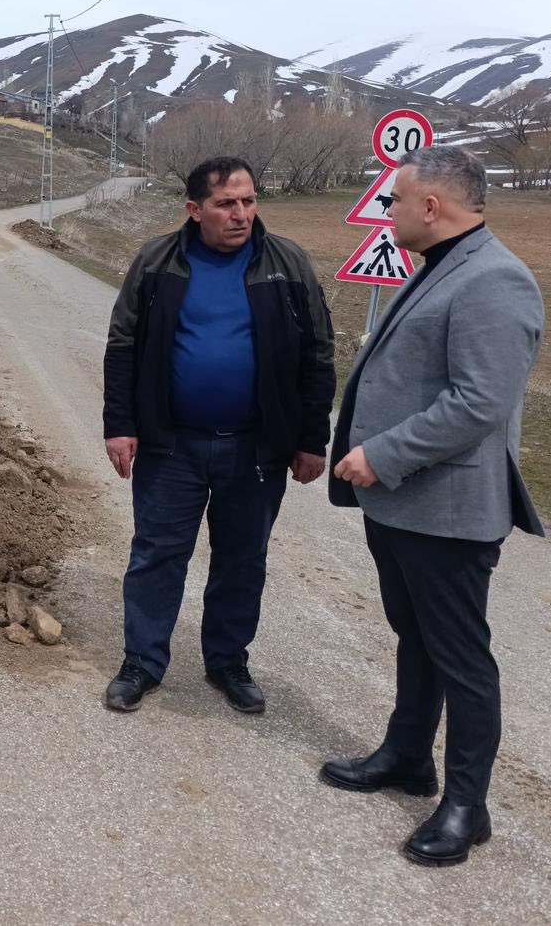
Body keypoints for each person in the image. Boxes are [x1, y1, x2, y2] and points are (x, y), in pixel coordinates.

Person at [323, 144, 544, 867]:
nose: (387, 213)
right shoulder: (444, 266)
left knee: (461, 658)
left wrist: (381, 454)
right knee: (415, 638)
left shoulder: (495, 280)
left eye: (393, 200)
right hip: (404, 509)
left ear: (430, 206)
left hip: (447, 513)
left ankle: (466, 806)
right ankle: (407, 755)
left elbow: (480, 401)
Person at [102, 156, 335, 714]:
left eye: (249, 201)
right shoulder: (158, 262)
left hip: (256, 445)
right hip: (171, 443)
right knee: (157, 554)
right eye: (226, 203)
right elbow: (123, 346)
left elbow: (318, 354)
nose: (241, 214)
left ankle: (228, 660)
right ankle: (142, 662)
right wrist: (120, 425)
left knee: (243, 557)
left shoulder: (288, 263)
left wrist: (311, 438)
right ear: (194, 209)